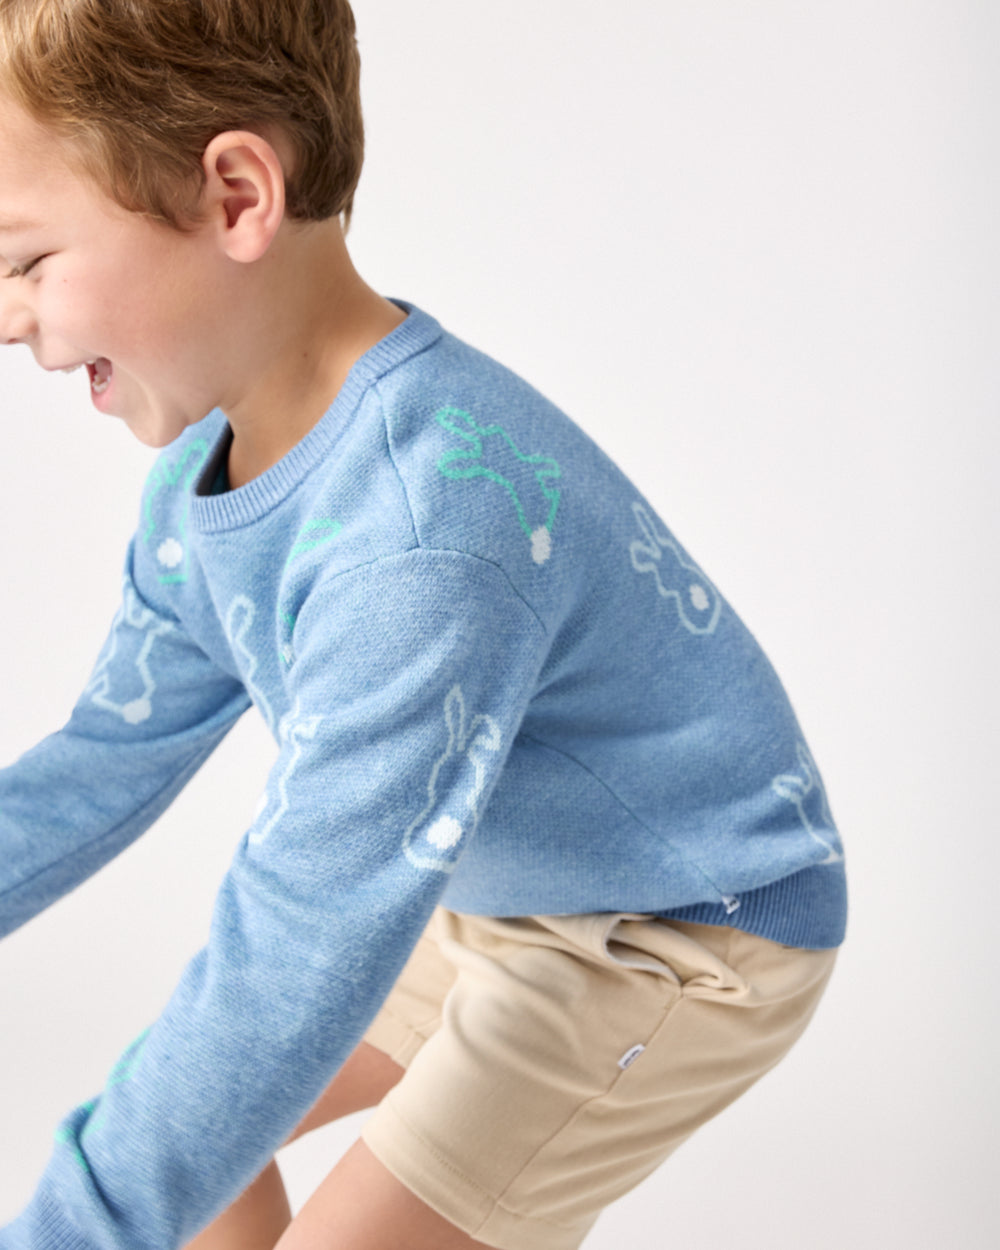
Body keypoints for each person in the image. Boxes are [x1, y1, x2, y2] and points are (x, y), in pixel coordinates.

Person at [0, 2, 847, 1248]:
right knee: (183, 1121)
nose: (6, 315)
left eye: (24, 261)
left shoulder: (423, 533)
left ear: (237, 195)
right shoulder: (200, 480)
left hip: (676, 930)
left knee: (195, 1122)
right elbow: (102, 761)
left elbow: (298, 947)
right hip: (489, 889)